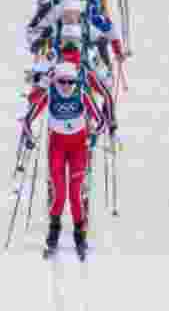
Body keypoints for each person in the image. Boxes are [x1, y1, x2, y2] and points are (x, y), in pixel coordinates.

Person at [19, 61, 105, 259]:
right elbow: (28, 119)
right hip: (57, 147)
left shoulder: (81, 95)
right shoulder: (50, 95)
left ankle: (79, 237)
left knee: (75, 194)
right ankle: (53, 236)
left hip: (77, 148)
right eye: (62, 81)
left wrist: (92, 137)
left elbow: (101, 120)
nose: (66, 85)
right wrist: (30, 137)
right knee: (60, 195)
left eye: (70, 81)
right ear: (55, 81)